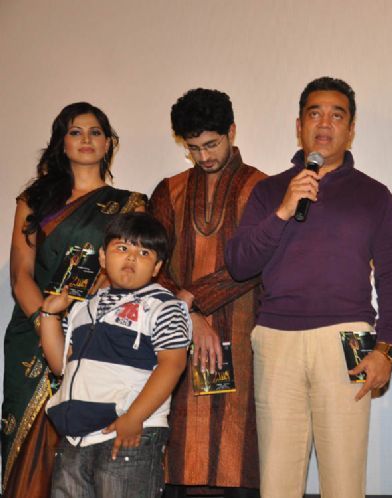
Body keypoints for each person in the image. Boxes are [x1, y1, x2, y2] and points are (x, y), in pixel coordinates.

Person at [225, 76, 392, 498]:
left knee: (344, 480)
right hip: (277, 339)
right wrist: (283, 210)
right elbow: (239, 263)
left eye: (336, 115)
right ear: (299, 125)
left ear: (351, 128)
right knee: (277, 480)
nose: (324, 123)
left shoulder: (374, 195)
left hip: (347, 339)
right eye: (314, 114)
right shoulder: (269, 191)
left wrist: (386, 349)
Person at [1, 102, 146, 497]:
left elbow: (123, 276)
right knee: (25, 445)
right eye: (75, 132)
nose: (86, 139)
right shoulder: (33, 200)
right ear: (61, 143)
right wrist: (45, 324)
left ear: (108, 143)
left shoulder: (130, 204)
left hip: (90, 335)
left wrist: (73, 324)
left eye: (95, 132)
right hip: (31, 333)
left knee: (86, 450)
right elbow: (20, 274)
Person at [149, 88, 266, 498]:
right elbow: (152, 265)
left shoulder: (263, 189)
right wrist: (191, 315)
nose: (203, 156)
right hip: (179, 336)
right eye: (193, 148)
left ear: (232, 131)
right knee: (182, 455)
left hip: (247, 335)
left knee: (239, 452)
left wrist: (193, 298)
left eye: (211, 144)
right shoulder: (170, 190)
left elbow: (260, 263)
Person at [38, 212, 191, 497]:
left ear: (157, 267)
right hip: (74, 438)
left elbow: (173, 364)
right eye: (122, 247)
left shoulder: (164, 306)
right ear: (103, 257)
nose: (131, 257)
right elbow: (61, 365)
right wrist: (49, 315)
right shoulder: (83, 307)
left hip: (127, 431)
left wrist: (134, 418)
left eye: (144, 252)